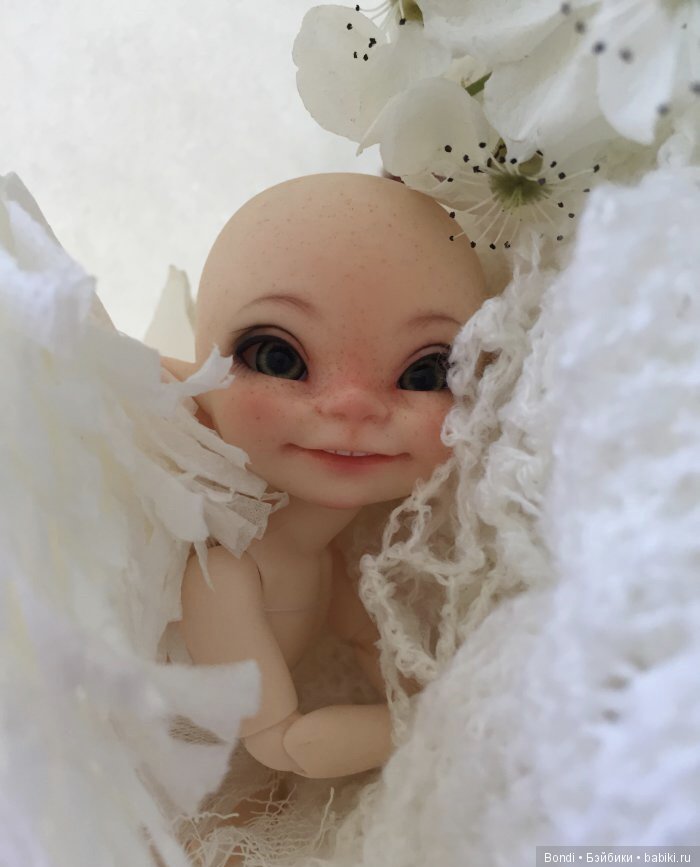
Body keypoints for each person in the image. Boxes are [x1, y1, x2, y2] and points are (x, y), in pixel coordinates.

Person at [161, 171, 485, 780]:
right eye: (278, 357)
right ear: (198, 380)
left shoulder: (328, 558)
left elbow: (371, 646)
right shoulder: (222, 570)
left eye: (426, 373)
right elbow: (287, 744)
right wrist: (442, 723)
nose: (353, 408)